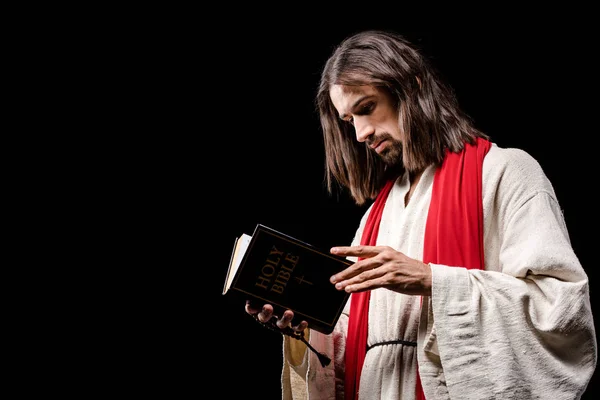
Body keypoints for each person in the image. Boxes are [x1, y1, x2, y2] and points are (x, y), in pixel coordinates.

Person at [245, 29, 597, 399]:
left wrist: (434, 280)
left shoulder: (505, 172)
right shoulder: (375, 217)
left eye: (367, 108)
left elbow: (560, 311)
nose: (361, 133)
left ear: (410, 87)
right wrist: (304, 327)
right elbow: (355, 346)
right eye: (349, 121)